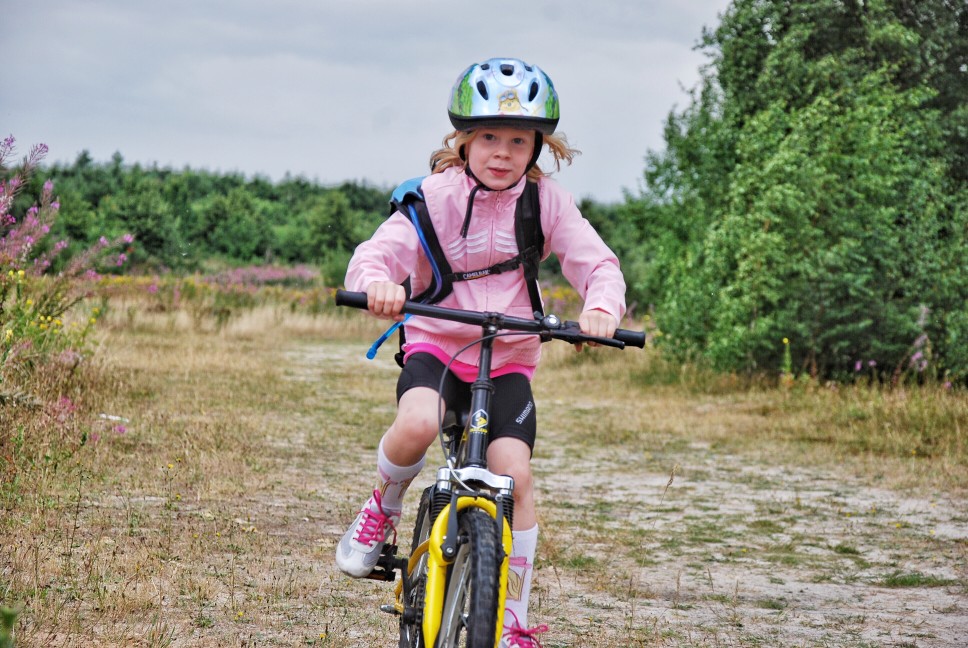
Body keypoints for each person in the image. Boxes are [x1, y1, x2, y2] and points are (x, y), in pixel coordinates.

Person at [335, 57, 627, 647]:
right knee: (418, 422)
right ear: (463, 140)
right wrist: (379, 285)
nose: (502, 151)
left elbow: (596, 262)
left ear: (538, 147)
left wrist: (602, 309)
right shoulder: (431, 197)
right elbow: (377, 254)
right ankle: (383, 505)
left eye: (518, 140)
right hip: (439, 344)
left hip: (510, 355)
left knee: (514, 476)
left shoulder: (546, 203)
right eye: (488, 137)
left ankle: (513, 617)